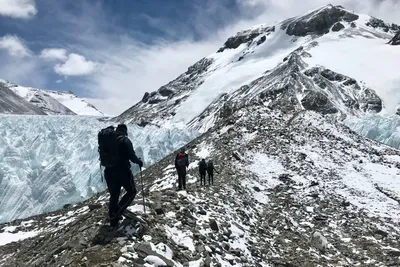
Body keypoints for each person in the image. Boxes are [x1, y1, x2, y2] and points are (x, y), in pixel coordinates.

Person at [104, 124, 143, 227]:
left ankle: (113, 221)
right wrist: (139, 162)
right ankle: (117, 211)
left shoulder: (108, 141)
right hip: (123, 172)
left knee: (114, 195)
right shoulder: (125, 140)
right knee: (132, 191)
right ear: (125, 132)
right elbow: (132, 156)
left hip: (109, 172)